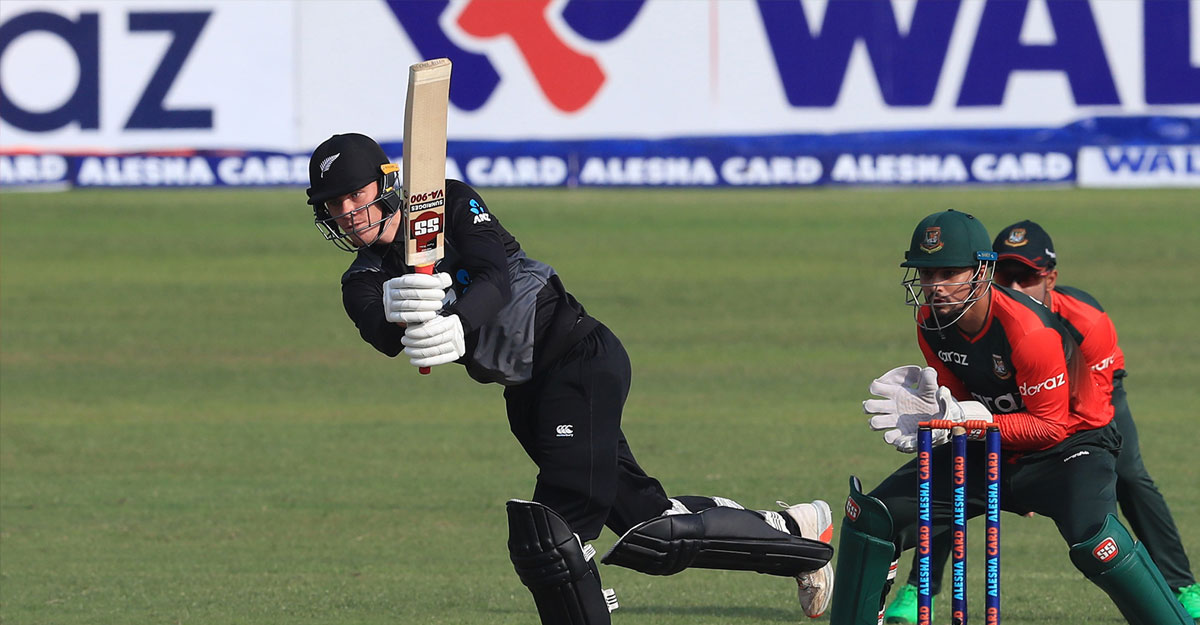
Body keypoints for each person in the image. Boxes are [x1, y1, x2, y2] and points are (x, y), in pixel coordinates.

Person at [303, 133, 835, 624]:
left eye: (356, 194)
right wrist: (398, 307)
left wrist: (458, 321)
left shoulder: (448, 202)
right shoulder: (363, 278)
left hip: (578, 359)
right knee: (651, 525)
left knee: (551, 538)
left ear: (387, 183)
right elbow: (382, 332)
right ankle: (797, 534)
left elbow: (494, 279)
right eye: (334, 204)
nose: (347, 212)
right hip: (527, 395)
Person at [827, 209, 1191, 625]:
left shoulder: (1029, 331)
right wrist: (940, 417)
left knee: (1098, 543)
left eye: (949, 273)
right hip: (992, 447)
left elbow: (1049, 426)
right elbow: (961, 400)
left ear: (982, 271)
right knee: (870, 519)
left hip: (1069, 449)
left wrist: (967, 419)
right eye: (926, 273)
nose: (934, 286)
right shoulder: (930, 322)